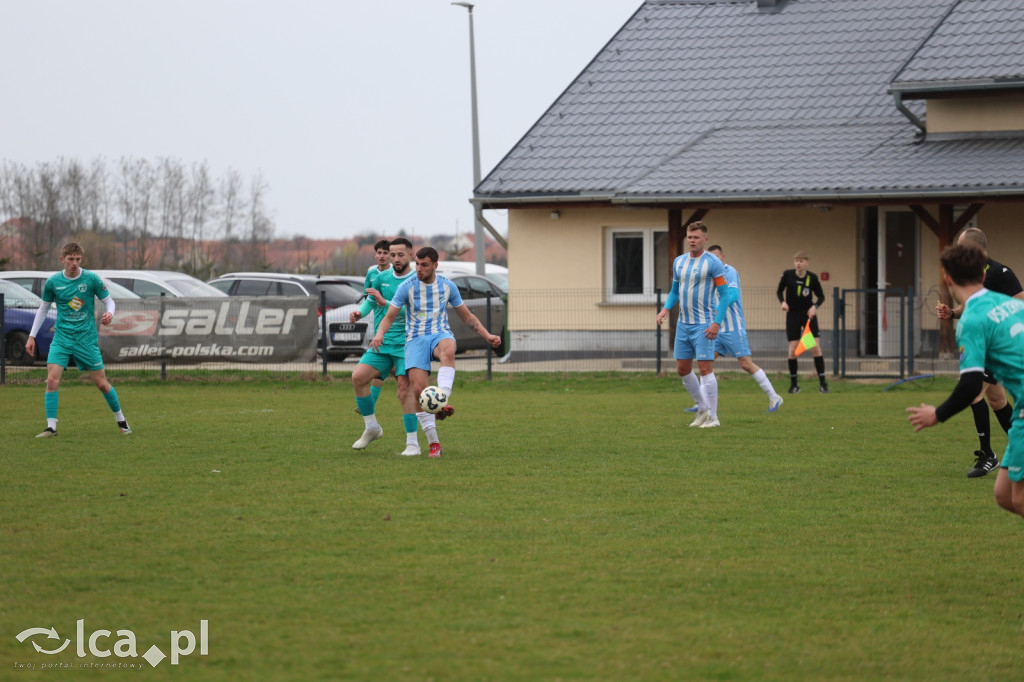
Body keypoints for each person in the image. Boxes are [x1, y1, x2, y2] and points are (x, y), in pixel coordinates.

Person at [908, 243, 1024, 520]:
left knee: (1018, 498)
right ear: (984, 276)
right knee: (1004, 495)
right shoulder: (1005, 302)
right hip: (1019, 407)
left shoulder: (973, 319)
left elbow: (971, 385)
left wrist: (937, 415)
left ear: (947, 279)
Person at [370, 246, 502, 458]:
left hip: (440, 334)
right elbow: (389, 316)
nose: (419, 269)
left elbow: (467, 317)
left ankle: (442, 399)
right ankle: (434, 445)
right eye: (417, 265)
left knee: (448, 351)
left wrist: (487, 336)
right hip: (415, 340)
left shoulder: (448, 286)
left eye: (424, 265)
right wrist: (380, 333)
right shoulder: (406, 286)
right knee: (418, 391)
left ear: (435, 266)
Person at [936, 227, 1024, 477]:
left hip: (1000, 348)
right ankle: (1010, 451)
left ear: (975, 249)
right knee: (996, 401)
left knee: (974, 393)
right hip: (987, 347)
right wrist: (952, 313)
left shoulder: (1001, 273)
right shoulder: (972, 274)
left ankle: (988, 455)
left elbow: (1020, 303)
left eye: (962, 248)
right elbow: (973, 304)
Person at [24, 242, 131, 437]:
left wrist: (110, 313)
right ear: (62, 259)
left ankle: (122, 421)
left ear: (81, 259)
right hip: (62, 338)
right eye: (70, 259)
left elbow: (109, 300)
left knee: (102, 384)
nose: (74, 263)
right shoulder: (53, 282)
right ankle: (51, 427)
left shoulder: (91, 279)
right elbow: (43, 309)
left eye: (77, 259)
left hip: (86, 339)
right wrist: (31, 336)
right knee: (51, 380)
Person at [655, 221, 738, 429]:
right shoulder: (679, 262)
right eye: (690, 237)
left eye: (696, 237)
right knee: (682, 369)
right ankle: (702, 409)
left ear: (705, 240)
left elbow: (725, 295)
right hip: (683, 323)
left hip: (704, 324)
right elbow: (675, 291)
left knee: (705, 369)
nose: (692, 241)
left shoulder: (713, 262)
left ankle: (713, 417)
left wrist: (717, 323)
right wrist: (666, 308)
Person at [349, 238, 422, 455]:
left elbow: (413, 311)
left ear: (411, 255)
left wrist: (384, 302)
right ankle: (372, 427)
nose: (396, 259)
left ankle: (412, 444)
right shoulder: (381, 277)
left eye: (401, 255)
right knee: (358, 377)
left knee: (404, 391)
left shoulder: (417, 280)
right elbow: (371, 300)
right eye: (393, 255)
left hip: (407, 344)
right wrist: (359, 312)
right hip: (382, 341)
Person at [707, 245, 784, 413]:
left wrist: (717, 308)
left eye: (716, 257)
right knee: (705, 363)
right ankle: (702, 404)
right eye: (710, 258)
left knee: (746, 364)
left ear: (723, 257)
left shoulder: (729, 272)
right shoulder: (709, 277)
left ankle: (774, 397)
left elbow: (733, 295)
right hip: (717, 329)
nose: (714, 261)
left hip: (734, 328)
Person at [777, 251, 829, 394]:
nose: (798, 263)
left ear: (807, 263)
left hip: (808, 316)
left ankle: (823, 384)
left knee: (815, 347)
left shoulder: (812, 278)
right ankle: (794, 385)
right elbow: (779, 291)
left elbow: (821, 297)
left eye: (801, 261)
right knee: (793, 349)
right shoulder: (787, 275)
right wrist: (783, 302)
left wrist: (814, 307)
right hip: (792, 315)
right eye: (796, 261)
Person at [359, 238, 393, 410]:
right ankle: (370, 401)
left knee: (388, 365)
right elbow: (368, 297)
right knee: (384, 365)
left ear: (391, 255)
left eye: (385, 253)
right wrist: (360, 312)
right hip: (378, 322)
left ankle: (370, 401)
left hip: (395, 323)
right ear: (375, 254)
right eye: (379, 252)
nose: (382, 256)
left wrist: (384, 302)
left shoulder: (395, 273)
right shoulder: (371, 273)